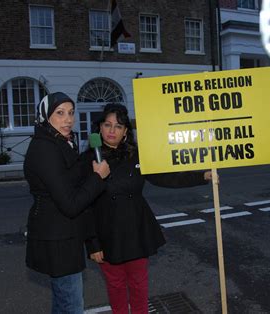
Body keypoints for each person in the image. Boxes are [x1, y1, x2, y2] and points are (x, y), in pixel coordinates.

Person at [85, 103, 214, 314]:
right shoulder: (88, 160)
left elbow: (166, 177)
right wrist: (92, 244)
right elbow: (84, 206)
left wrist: (202, 176)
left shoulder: (137, 155)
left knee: (138, 286)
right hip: (107, 233)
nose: (111, 130)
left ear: (126, 131)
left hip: (137, 230)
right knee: (116, 287)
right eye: (107, 125)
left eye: (118, 126)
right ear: (99, 128)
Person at [23, 92, 110, 314]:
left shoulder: (61, 143)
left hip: (65, 234)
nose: (68, 119)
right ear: (45, 117)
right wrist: (98, 178)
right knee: (71, 305)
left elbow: (75, 186)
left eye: (71, 113)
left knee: (64, 303)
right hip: (57, 238)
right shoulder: (45, 148)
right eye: (60, 113)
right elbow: (71, 203)